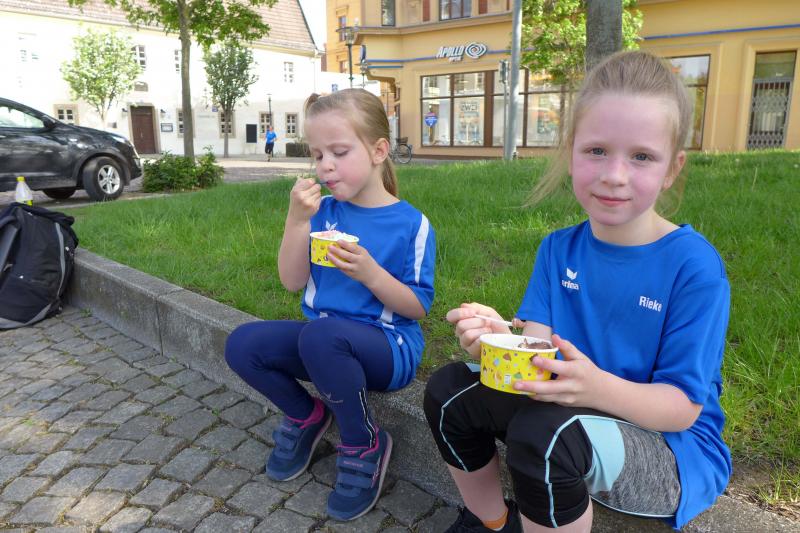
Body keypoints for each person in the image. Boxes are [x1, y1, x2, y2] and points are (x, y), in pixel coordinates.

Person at [423, 50, 731, 533]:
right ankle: (493, 522)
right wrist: (497, 342)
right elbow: (539, 355)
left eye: (642, 156)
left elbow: (681, 409)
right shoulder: (558, 248)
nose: (614, 174)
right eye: (596, 150)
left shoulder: (693, 267)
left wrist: (594, 387)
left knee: (545, 435)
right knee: (450, 392)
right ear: (571, 152)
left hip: (669, 449)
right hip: (571, 410)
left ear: (672, 168)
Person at [225, 88, 436, 521]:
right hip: (323, 342)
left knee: (321, 336)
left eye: (339, 152)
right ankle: (306, 416)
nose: (325, 166)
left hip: (388, 347)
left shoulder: (411, 224)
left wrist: (371, 274)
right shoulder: (322, 213)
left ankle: (363, 443)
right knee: (243, 345)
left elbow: (417, 307)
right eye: (317, 154)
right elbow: (292, 281)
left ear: (379, 151)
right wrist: (297, 220)